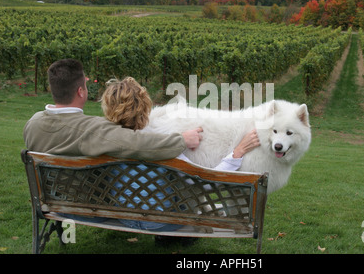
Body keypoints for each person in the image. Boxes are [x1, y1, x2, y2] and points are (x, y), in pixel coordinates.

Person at [100, 77, 260, 234]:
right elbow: (204, 184)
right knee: (187, 187)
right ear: (145, 105)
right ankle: (184, 234)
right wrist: (237, 152)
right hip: (159, 221)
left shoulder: (104, 140)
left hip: (124, 215)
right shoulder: (161, 143)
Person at [23, 59, 203, 160]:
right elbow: (137, 143)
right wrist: (181, 140)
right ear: (80, 92)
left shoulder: (33, 124)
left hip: (52, 201)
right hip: (85, 205)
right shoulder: (93, 130)